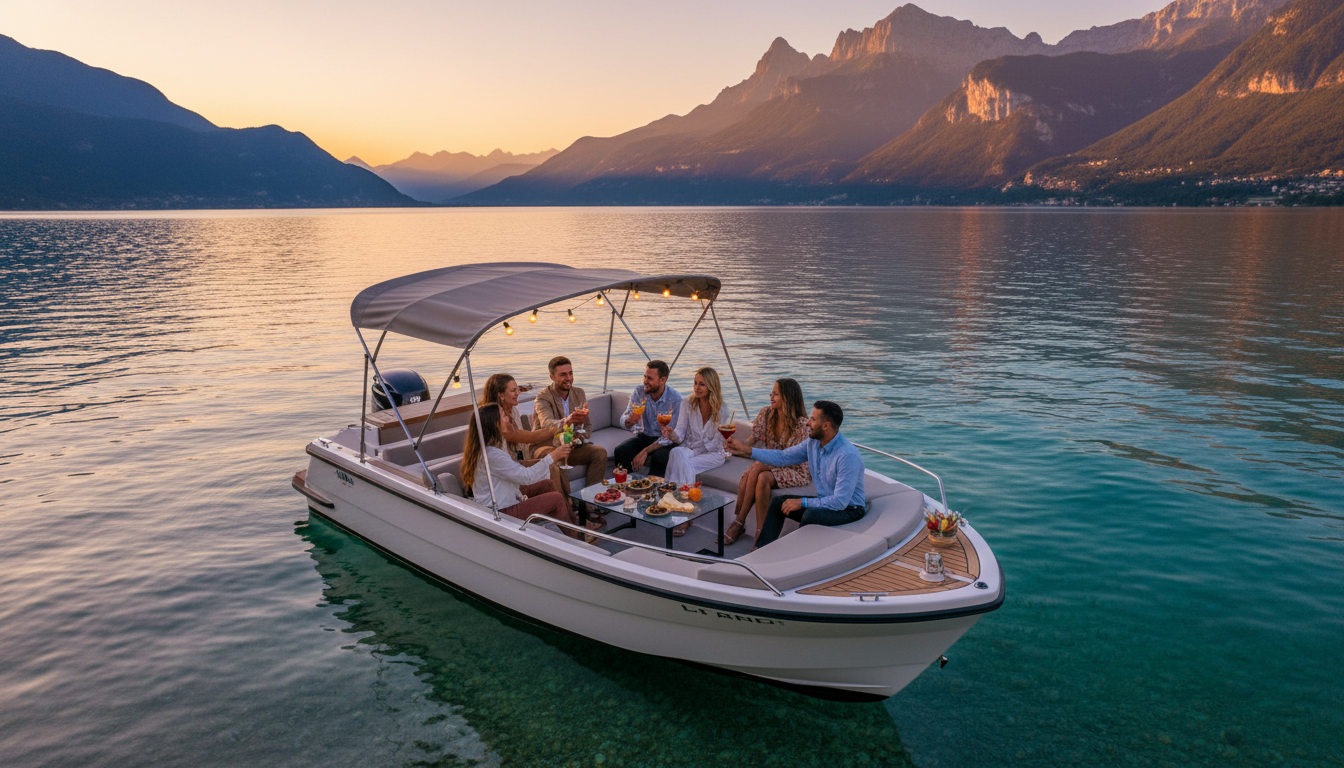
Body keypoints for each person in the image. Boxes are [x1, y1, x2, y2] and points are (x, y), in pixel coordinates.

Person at [727, 400, 866, 549]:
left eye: (813, 419)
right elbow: (783, 457)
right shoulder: (813, 443)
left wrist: (802, 502)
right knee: (779, 503)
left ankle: (796, 555)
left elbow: (840, 502)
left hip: (849, 509)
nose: (807, 423)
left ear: (826, 426)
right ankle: (762, 549)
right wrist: (746, 450)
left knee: (810, 515)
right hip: (826, 501)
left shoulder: (847, 455)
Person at [460, 403, 592, 540]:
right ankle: (576, 538)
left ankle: (571, 527)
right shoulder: (492, 455)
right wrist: (553, 456)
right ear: (495, 424)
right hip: (500, 513)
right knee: (556, 499)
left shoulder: (493, 446)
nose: (508, 418)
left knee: (547, 485)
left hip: (506, 499)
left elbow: (514, 476)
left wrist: (520, 495)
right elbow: (526, 477)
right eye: (504, 415)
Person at [723, 378, 810, 546]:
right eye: (771, 393)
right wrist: (737, 448)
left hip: (796, 469)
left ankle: (739, 522)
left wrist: (747, 452)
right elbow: (753, 439)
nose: (771, 396)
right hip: (771, 465)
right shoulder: (767, 414)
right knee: (761, 477)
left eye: (775, 394)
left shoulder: (802, 426)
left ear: (788, 397)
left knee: (757, 468)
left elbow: (788, 458)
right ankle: (761, 533)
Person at [478, 373, 578, 506]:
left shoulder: (513, 411)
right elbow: (528, 437)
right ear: (500, 395)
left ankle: (568, 501)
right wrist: (559, 427)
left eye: (517, 389)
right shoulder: (495, 421)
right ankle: (565, 504)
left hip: (518, 460)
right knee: (551, 465)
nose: (518, 393)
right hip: (508, 468)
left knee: (554, 460)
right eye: (513, 390)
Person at [662, 367, 730, 536]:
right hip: (692, 448)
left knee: (684, 463)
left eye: (702, 384)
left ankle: (681, 511)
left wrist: (726, 445)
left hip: (713, 454)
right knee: (676, 453)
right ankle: (682, 508)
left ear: (711, 387)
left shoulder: (722, 408)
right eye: (695, 383)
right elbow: (680, 432)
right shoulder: (687, 403)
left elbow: (718, 441)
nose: (697, 388)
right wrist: (671, 434)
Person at [531, 355, 608, 491]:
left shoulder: (579, 393)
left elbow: (587, 426)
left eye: (570, 373)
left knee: (600, 453)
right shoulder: (543, 397)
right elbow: (546, 424)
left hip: (570, 446)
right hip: (545, 446)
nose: (568, 378)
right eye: (563, 375)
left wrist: (578, 433)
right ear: (552, 377)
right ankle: (565, 502)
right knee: (555, 459)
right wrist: (568, 421)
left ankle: (589, 499)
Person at [614, 360, 681, 477]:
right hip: (645, 436)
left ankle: (654, 487)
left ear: (662, 380)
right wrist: (629, 421)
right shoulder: (639, 391)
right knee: (621, 450)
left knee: (660, 456)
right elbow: (625, 417)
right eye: (645, 377)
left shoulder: (675, 399)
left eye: (649, 378)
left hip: (665, 441)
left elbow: (670, 437)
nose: (645, 381)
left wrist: (645, 451)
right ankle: (627, 483)